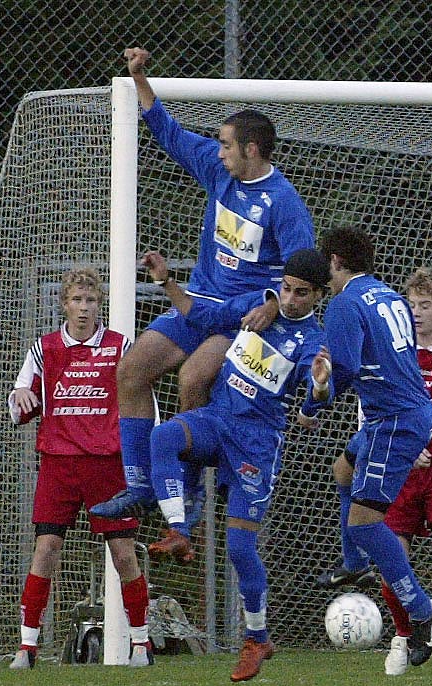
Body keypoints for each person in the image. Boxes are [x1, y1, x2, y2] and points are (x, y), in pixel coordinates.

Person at [108, 47, 316, 561]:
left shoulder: (284, 203)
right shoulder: (219, 172)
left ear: (251, 150)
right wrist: (140, 78)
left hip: (236, 316)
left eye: (226, 144)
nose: (218, 151)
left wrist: (270, 300)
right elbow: (169, 132)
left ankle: (192, 499)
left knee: (193, 380)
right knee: (131, 371)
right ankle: (140, 484)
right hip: (193, 304)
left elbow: (304, 267)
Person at [113, 247, 332, 681]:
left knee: (239, 549)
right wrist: (165, 283)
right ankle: (178, 528)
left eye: (300, 293)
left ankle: (257, 638)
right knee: (164, 435)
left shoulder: (311, 341)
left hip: (255, 443)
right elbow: (204, 314)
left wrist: (321, 387)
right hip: (218, 419)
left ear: (318, 297)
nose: (289, 299)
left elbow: (315, 393)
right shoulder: (258, 307)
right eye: (286, 288)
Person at [317, 267, 432, 676]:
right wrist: (403, 445)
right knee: (391, 555)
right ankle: (406, 636)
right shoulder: (392, 347)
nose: (416, 312)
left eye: (426, 305)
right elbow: (371, 408)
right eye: (413, 304)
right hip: (398, 465)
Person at [310, 226, 432, 668]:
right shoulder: (387, 295)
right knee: (342, 471)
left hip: (393, 421)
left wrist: (316, 399)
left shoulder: (345, 303)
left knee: (366, 522)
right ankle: (354, 563)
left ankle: (423, 611)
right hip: (403, 410)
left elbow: (344, 370)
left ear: (334, 262)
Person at [6, 266, 152, 669]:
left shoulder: (121, 348)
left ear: (99, 303)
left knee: (123, 554)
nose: (83, 308)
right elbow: (20, 399)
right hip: (58, 463)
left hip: (107, 465)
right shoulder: (44, 349)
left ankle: (141, 643)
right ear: (63, 305)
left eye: (90, 300)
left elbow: (142, 401)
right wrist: (20, 397)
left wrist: (142, 454)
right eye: (76, 300)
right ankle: (28, 646)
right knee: (46, 550)